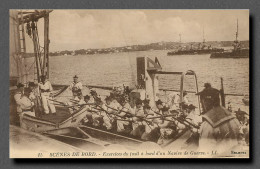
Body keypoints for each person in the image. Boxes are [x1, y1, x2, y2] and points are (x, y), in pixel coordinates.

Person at [196, 85, 241, 156]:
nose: (201, 104)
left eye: (201, 101)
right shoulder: (234, 119)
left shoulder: (208, 125)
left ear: (205, 103)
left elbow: (205, 155)